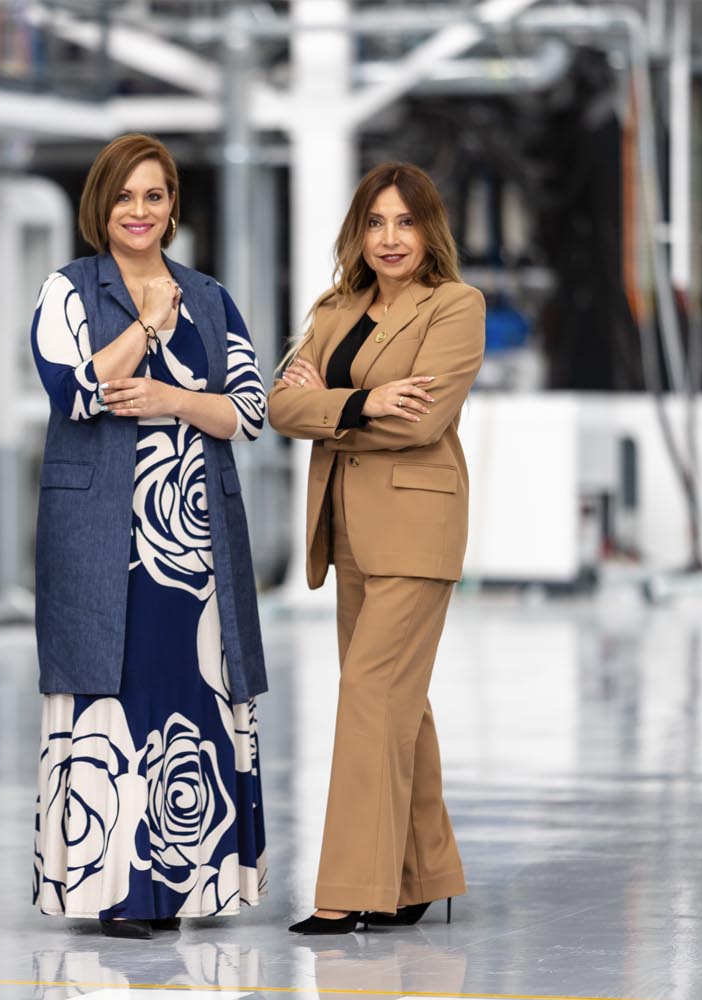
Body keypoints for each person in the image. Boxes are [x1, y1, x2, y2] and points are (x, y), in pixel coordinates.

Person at [30, 133, 269, 939]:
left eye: (155, 196)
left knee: (189, 699)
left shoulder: (212, 296)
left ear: (173, 206)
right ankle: (119, 891)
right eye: (125, 197)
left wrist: (172, 399)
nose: (140, 211)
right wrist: (147, 323)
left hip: (194, 540)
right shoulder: (67, 289)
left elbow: (249, 411)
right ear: (102, 205)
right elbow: (73, 391)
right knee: (111, 699)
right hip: (100, 536)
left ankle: (192, 887)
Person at [268, 162, 485, 934]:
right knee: (395, 703)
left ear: (430, 231)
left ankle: (351, 890)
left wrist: (330, 407)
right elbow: (280, 406)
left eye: (405, 222)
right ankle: (422, 874)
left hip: (416, 530)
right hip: (348, 530)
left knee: (368, 693)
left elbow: (422, 421)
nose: (390, 238)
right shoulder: (335, 310)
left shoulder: (455, 306)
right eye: (375, 222)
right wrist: (364, 402)